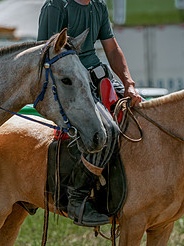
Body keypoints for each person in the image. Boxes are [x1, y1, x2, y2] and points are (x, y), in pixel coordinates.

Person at [38, 0, 142, 226]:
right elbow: (43, 55)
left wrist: (129, 84)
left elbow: (112, 49)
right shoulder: (56, 7)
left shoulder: (98, 6)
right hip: (70, 84)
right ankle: (77, 199)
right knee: (108, 131)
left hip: (96, 75)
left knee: (140, 116)